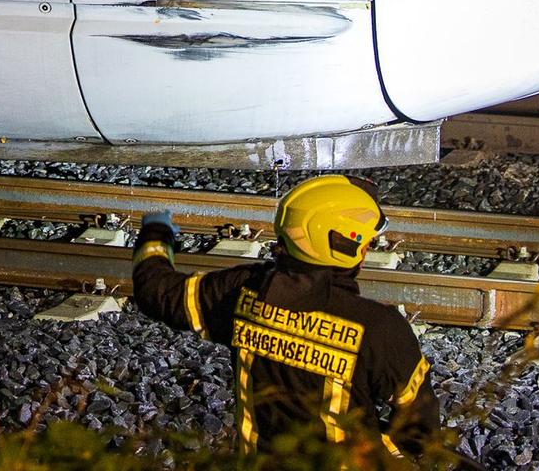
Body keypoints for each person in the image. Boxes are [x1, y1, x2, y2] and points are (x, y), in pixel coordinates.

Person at [132, 175, 452, 467]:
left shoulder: (241, 293)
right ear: (346, 244)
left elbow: (156, 292)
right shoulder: (379, 329)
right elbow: (419, 431)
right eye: (366, 242)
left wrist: (155, 235)